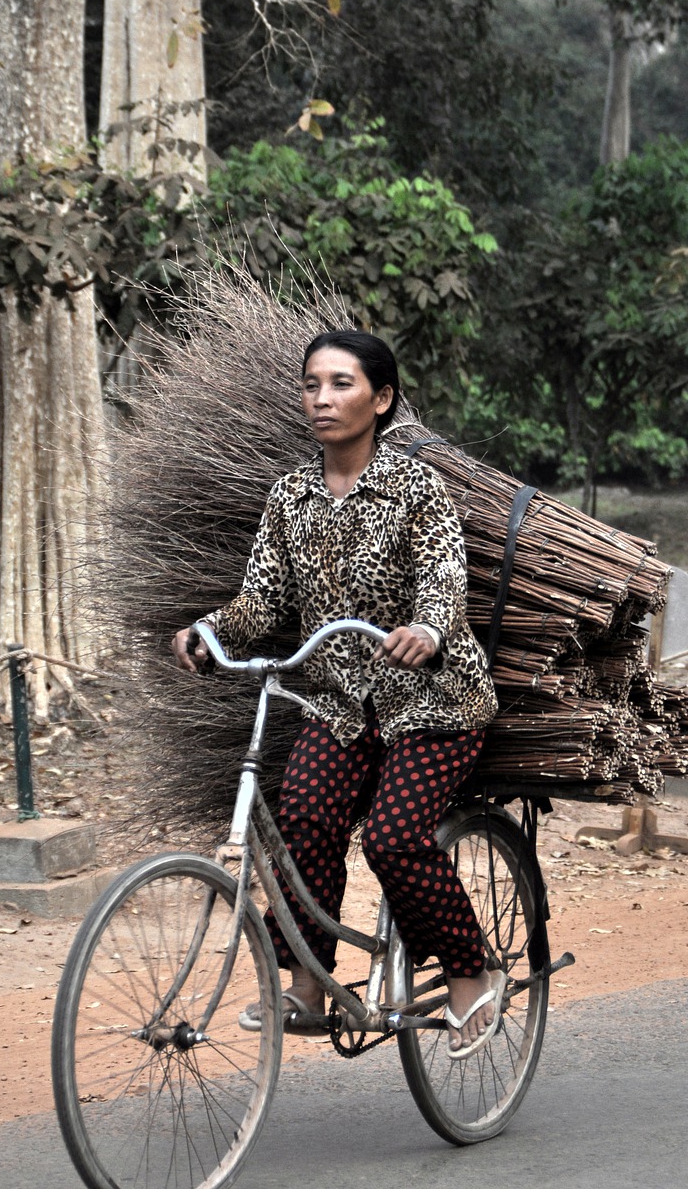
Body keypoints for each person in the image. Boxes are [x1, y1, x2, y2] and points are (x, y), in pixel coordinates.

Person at [173, 330, 500, 1057]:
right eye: (312, 384)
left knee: (393, 838)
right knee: (304, 821)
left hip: (432, 701)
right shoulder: (290, 497)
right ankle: (309, 981)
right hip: (342, 700)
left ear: (381, 400)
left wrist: (427, 627)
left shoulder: (418, 489)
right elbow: (261, 602)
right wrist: (208, 628)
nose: (322, 398)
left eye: (342, 384)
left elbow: (445, 579)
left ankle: (471, 971)